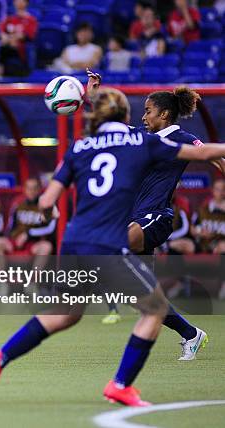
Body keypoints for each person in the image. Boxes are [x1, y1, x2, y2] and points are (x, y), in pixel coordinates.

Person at [0, 87, 225, 406]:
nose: (143, 116)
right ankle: (122, 383)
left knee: (64, 314)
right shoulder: (141, 142)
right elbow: (205, 154)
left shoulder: (80, 147)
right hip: (110, 241)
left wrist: (52, 209)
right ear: (126, 117)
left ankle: (1, 357)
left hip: (77, 238)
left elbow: (46, 201)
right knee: (153, 308)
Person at [88, 70, 217, 359]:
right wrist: (92, 95)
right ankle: (191, 334)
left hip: (156, 216)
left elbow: (214, 157)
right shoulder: (142, 138)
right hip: (135, 215)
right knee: (143, 299)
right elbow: (107, 125)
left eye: (148, 111)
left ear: (166, 114)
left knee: (114, 242)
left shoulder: (184, 138)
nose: (144, 117)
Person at [0, 177, 55, 259]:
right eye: (29, 188)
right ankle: (1, 272)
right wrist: (11, 237)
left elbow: (50, 228)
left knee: (46, 247)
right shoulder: (18, 204)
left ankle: (36, 272)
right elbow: (10, 226)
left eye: (34, 188)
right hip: (16, 239)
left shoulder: (47, 206)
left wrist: (28, 234)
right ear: (25, 189)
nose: (31, 191)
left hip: (34, 242)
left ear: (39, 189)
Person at [0, 0, 37, 77]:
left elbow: (28, 35)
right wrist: (5, 38)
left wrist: (12, 39)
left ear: (26, 3)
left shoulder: (31, 20)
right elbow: (1, 32)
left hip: (21, 51)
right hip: (6, 48)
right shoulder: (10, 19)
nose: (19, 2)